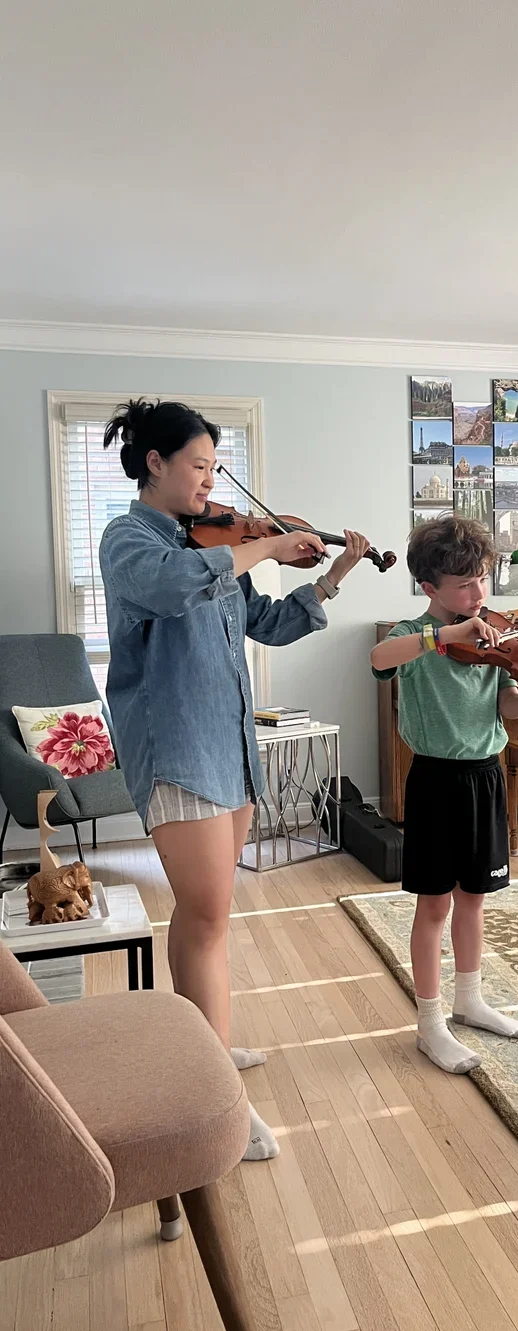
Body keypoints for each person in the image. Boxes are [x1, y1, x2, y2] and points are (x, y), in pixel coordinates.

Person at [99, 398, 371, 1159]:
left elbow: (270, 624)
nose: (210, 483)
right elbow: (172, 587)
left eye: (215, 469)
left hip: (229, 745)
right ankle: (216, 1092)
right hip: (178, 747)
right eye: (199, 466)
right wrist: (268, 544)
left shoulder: (213, 540)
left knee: (206, 917)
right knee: (208, 914)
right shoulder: (132, 540)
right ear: (155, 463)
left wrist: (335, 574)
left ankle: (206, 1043)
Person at [370, 514, 518, 1075]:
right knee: (435, 905)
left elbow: (509, 706)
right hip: (435, 780)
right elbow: (380, 660)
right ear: (429, 589)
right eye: (464, 585)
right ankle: (429, 1024)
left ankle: (469, 998)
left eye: (482, 579)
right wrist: (445, 634)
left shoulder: (493, 639)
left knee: (473, 897)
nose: (478, 594)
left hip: (485, 775)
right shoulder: (416, 636)